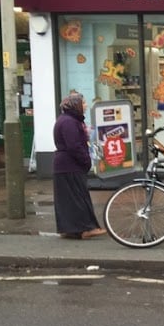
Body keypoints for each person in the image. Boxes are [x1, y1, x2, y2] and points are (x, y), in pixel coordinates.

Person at [52, 92, 107, 239]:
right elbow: (74, 146)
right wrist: (86, 160)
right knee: (79, 197)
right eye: (83, 103)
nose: (85, 105)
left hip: (63, 165)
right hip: (70, 165)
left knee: (67, 199)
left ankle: (69, 229)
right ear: (75, 106)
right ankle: (86, 228)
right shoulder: (69, 122)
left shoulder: (65, 120)